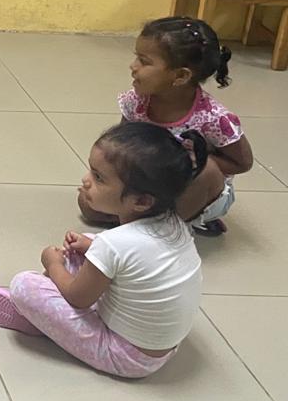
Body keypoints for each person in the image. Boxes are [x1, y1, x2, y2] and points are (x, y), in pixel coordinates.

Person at [0, 122, 204, 378]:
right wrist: (90, 248)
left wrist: (53, 264)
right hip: (161, 348)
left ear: (141, 201)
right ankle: (47, 315)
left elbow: (77, 298)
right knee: (86, 245)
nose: (86, 181)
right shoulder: (175, 225)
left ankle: (37, 319)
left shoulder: (115, 244)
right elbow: (135, 259)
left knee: (24, 285)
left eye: (98, 178)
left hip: (125, 356)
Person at [85, 16, 253, 237]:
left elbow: (242, 163)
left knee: (208, 169)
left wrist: (190, 160)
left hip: (193, 186)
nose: (133, 67)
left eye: (144, 61)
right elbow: (123, 147)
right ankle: (145, 223)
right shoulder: (136, 102)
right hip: (151, 181)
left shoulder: (213, 118)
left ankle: (177, 224)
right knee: (88, 204)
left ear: (181, 76)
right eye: (136, 57)